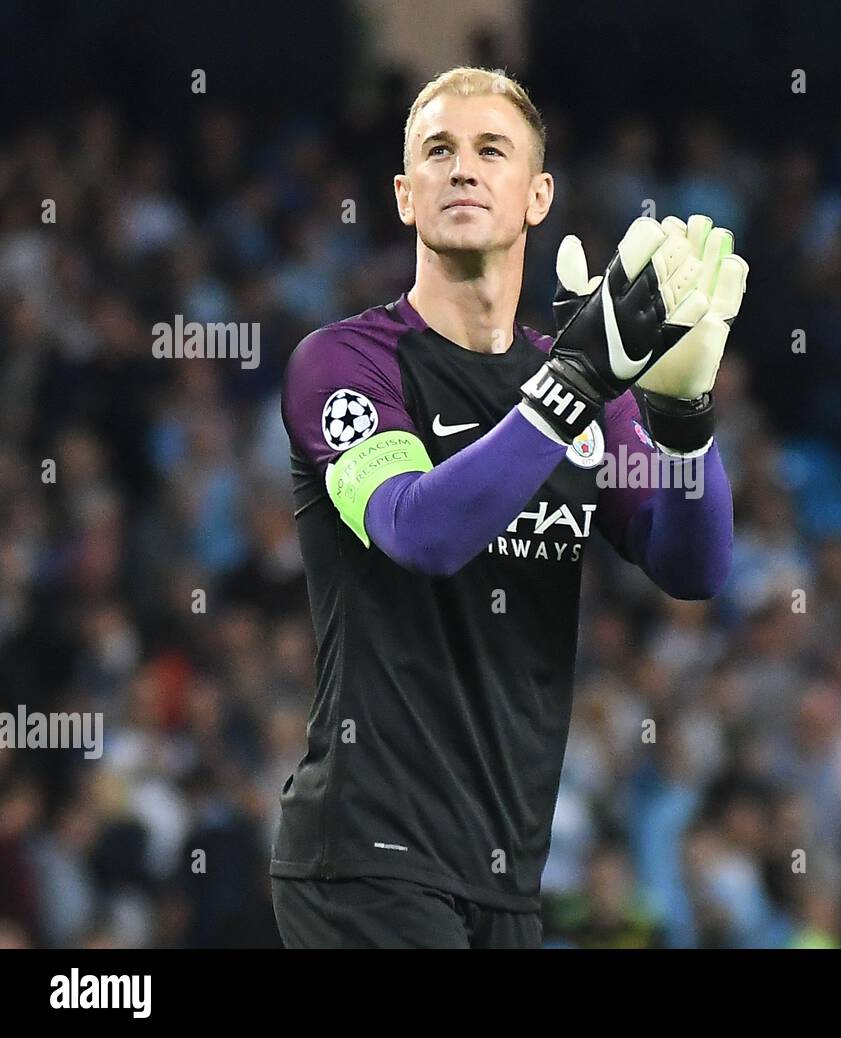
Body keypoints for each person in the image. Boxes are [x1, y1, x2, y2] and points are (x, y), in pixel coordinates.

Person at [269, 66, 748, 948]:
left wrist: (683, 421)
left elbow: (695, 567)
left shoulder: (582, 380)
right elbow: (419, 531)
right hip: (368, 864)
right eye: (438, 152)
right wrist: (577, 382)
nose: (463, 169)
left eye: (491, 150)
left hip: (508, 876)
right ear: (405, 196)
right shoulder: (344, 365)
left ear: (537, 196)